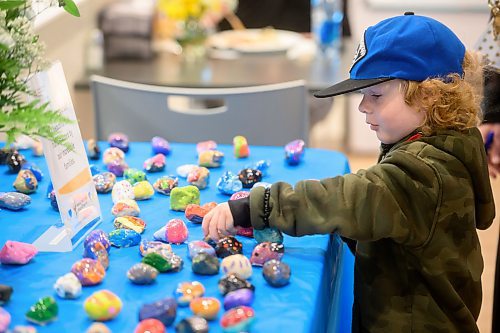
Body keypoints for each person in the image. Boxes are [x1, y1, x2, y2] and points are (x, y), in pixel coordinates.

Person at [202, 12, 496, 332]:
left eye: (376, 95)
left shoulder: (423, 173)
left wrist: (256, 206)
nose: (362, 107)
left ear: (429, 95)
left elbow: (347, 198)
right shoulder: (446, 144)